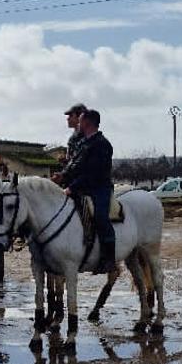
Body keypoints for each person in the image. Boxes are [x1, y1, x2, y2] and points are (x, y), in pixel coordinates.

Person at [59, 107, 115, 271]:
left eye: (81, 120)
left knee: (100, 216)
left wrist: (71, 188)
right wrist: (62, 176)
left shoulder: (102, 144)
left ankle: (109, 259)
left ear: (88, 123)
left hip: (99, 188)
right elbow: (75, 165)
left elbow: (92, 174)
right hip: (82, 187)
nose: (78, 123)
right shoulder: (84, 142)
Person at [53, 103, 87, 181]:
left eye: (71, 115)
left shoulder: (85, 136)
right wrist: (65, 161)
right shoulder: (75, 136)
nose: (68, 119)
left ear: (80, 117)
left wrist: (63, 174)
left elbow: (80, 162)